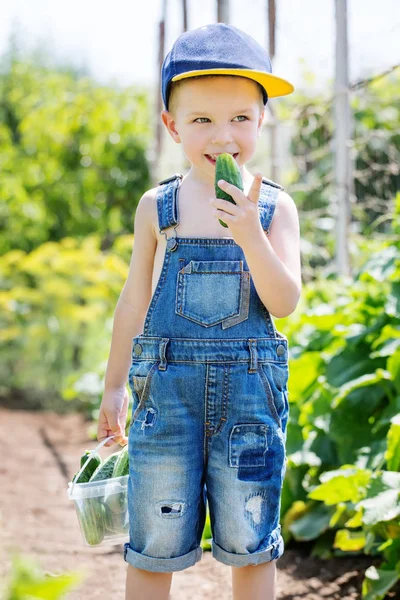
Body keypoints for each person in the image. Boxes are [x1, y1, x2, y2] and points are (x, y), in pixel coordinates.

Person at [97, 22, 301, 600]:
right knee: (153, 543)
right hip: (166, 396)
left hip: (250, 399)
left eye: (240, 117)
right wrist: (114, 387)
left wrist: (251, 238)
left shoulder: (273, 208)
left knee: (251, 535)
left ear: (261, 121)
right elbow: (134, 299)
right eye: (202, 120)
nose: (223, 136)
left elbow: (284, 304)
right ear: (172, 125)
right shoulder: (157, 207)